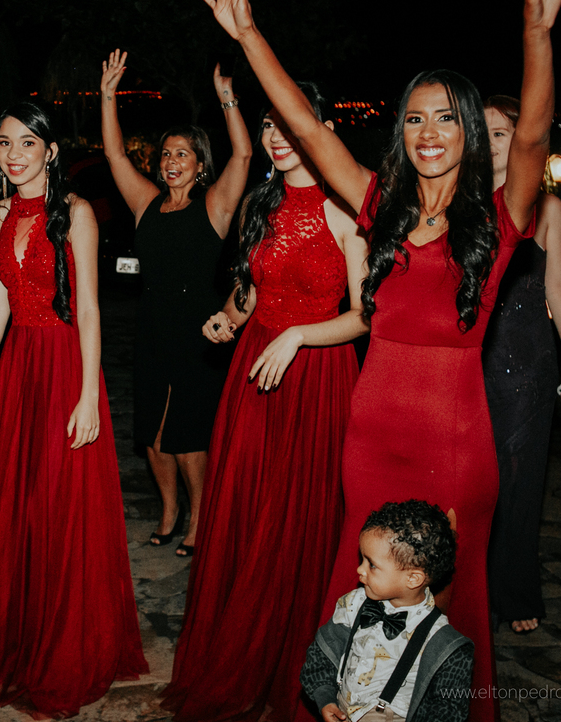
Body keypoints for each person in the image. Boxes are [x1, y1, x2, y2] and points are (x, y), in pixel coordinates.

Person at [199, 0, 561, 721]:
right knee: (361, 605)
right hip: (369, 443)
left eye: (446, 118)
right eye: (414, 118)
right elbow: (309, 128)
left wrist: (536, 33)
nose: (428, 131)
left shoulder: (497, 223)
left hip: (454, 448)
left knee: (437, 624)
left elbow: (533, 138)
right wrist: (248, 35)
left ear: (469, 132)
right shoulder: (378, 209)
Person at [0, 103, 148, 717]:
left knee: (58, 502)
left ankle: (61, 640)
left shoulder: (76, 212)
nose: (14, 154)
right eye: (4, 143)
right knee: (14, 504)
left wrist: (87, 394)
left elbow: (91, 309)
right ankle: (18, 635)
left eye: (27, 142)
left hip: (64, 364)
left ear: (51, 150)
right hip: (19, 367)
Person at [161, 85, 368, 721]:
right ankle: (239, 646)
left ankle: (293, 657)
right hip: (254, 372)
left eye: (287, 124)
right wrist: (225, 319)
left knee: (296, 515)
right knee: (248, 511)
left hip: (316, 375)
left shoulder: (347, 207)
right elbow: (250, 292)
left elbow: (365, 315)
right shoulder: (260, 201)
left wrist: (300, 335)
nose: (276, 137)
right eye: (267, 126)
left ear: (320, 125)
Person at [100, 51, 252, 557]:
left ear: (200, 164)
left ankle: (199, 517)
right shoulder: (146, 203)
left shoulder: (215, 205)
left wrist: (226, 96)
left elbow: (243, 156)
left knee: (187, 436)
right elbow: (115, 156)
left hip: (198, 333)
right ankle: (169, 511)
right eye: (166, 153)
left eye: (182, 154)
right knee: (153, 434)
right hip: (152, 330)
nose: (171, 161)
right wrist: (107, 97)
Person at [481, 94, 561, 634]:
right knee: (472, 478)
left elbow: (558, 284)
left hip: (525, 362)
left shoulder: (547, 208)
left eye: (501, 133)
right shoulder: (458, 202)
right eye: (483, 133)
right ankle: (467, 589)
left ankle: (516, 589)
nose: (490, 143)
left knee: (519, 481)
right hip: (468, 356)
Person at [300, 501, 472, 722]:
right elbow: (322, 654)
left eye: (371, 564)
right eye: (362, 559)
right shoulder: (353, 604)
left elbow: (448, 710)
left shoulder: (442, 642)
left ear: (413, 578)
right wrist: (325, 697)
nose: (359, 569)